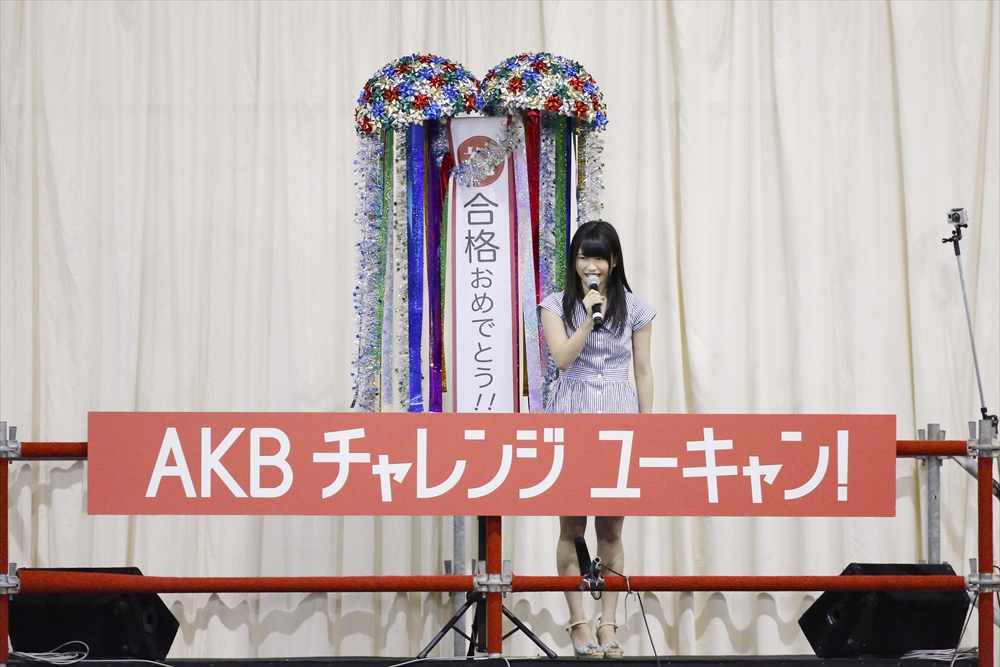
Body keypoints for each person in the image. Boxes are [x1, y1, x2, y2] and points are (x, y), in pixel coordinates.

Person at [538, 220, 655, 659]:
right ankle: (578, 623)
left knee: (611, 529)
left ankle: (609, 622)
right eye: (584, 256)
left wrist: (648, 427)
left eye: (600, 257)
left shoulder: (637, 309)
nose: (592, 265)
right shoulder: (555, 305)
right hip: (572, 414)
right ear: (574, 261)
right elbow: (563, 359)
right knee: (572, 527)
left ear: (614, 261)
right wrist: (588, 318)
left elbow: (642, 370)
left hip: (620, 416)